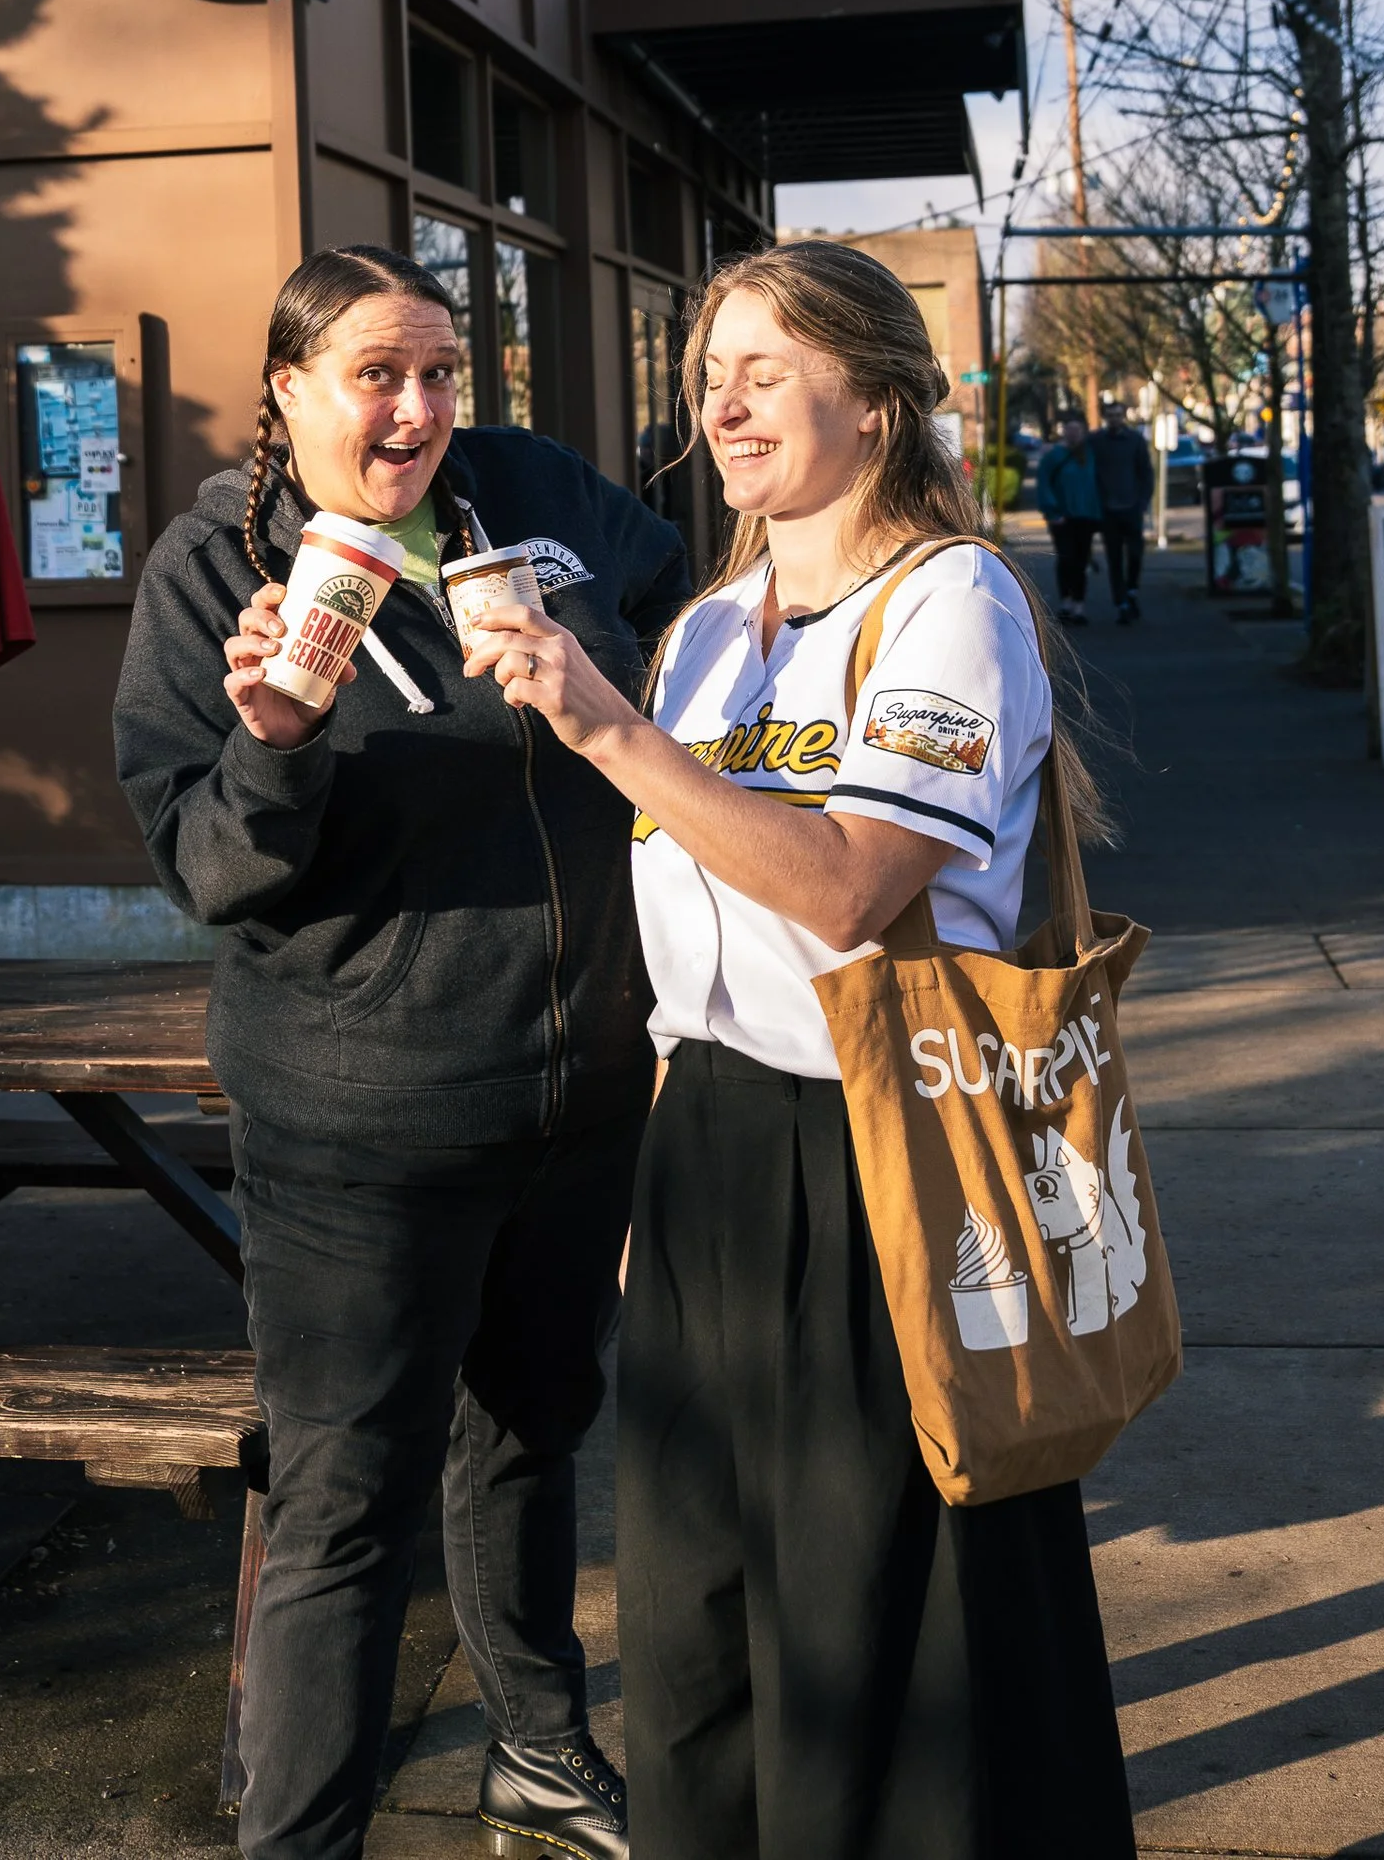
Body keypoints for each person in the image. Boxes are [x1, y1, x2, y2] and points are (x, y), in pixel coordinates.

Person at [459, 242, 1135, 1860]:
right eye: (712, 369)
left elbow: (845, 887)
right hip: (711, 1157)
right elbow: (689, 936)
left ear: (880, 403)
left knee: (871, 1618)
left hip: (886, 1139)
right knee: (697, 1622)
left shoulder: (952, 604)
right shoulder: (708, 629)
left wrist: (608, 728)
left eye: (768, 364)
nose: (726, 396)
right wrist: (663, 1179)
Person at [115, 246, 688, 1860]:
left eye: (442, 371)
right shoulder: (208, 577)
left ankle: (537, 1747)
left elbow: (699, 609)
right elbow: (212, 870)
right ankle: (301, 1841)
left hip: (579, 1094)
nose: (422, 408)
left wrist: (618, 693)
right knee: (344, 1508)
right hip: (360, 1125)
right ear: (291, 389)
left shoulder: (527, 496)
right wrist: (277, 750)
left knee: (530, 1434)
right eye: (379, 373)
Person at [1033, 408, 1100, 626]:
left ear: (1083, 431)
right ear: (1064, 432)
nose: (1073, 433)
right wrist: (1052, 511)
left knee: (1081, 561)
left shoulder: (1090, 454)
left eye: (1077, 429)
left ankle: (1079, 605)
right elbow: (1044, 485)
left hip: (1086, 516)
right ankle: (1066, 602)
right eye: (1069, 429)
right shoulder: (1054, 457)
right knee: (1065, 558)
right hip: (1062, 517)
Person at [1089, 402, 1154, 627]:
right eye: (1110, 415)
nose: (1115, 419)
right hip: (1108, 511)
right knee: (1114, 559)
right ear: (1105, 417)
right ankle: (1122, 604)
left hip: (1132, 508)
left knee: (1135, 554)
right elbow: (1089, 471)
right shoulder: (1096, 441)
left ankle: (1132, 590)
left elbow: (1146, 472)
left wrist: (1143, 501)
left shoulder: (1135, 440)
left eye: (1118, 415)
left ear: (1123, 416)